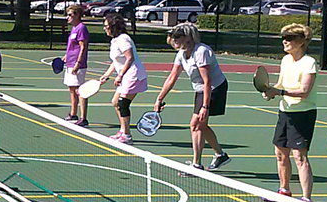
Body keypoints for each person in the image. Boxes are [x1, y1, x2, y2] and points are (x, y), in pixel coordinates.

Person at [153, 22, 230, 171]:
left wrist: (205, 106)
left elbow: (208, 81)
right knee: (201, 125)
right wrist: (159, 98)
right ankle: (220, 154)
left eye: (177, 36)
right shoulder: (181, 54)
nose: (174, 40)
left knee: (195, 124)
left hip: (215, 88)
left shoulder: (201, 51)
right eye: (173, 37)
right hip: (201, 89)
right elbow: (172, 77)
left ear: (188, 37)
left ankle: (196, 165)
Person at [261, 23, 317, 202]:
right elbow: (280, 84)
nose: (285, 41)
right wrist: (270, 91)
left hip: (303, 114)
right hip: (285, 111)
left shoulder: (309, 63)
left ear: (301, 42)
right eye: (283, 38)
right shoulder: (285, 60)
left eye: (290, 38)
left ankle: (306, 200)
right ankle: (284, 190)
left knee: (299, 157)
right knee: (280, 153)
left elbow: (304, 91)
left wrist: (280, 92)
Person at [98, 12, 147, 144]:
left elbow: (129, 58)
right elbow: (116, 61)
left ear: (114, 26)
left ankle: (127, 135)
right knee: (115, 102)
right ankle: (122, 130)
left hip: (133, 75)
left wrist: (120, 76)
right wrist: (106, 75)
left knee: (122, 103)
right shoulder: (115, 41)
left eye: (106, 26)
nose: (104, 28)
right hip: (126, 76)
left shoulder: (123, 39)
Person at [63, 4, 90, 126]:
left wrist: (78, 63)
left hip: (77, 65)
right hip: (70, 63)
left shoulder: (81, 28)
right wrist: (66, 56)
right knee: (72, 89)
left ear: (78, 15)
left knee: (80, 91)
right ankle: (73, 114)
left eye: (70, 15)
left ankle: (84, 118)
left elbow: (82, 47)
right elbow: (72, 47)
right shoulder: (74, 28)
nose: (68, 17)